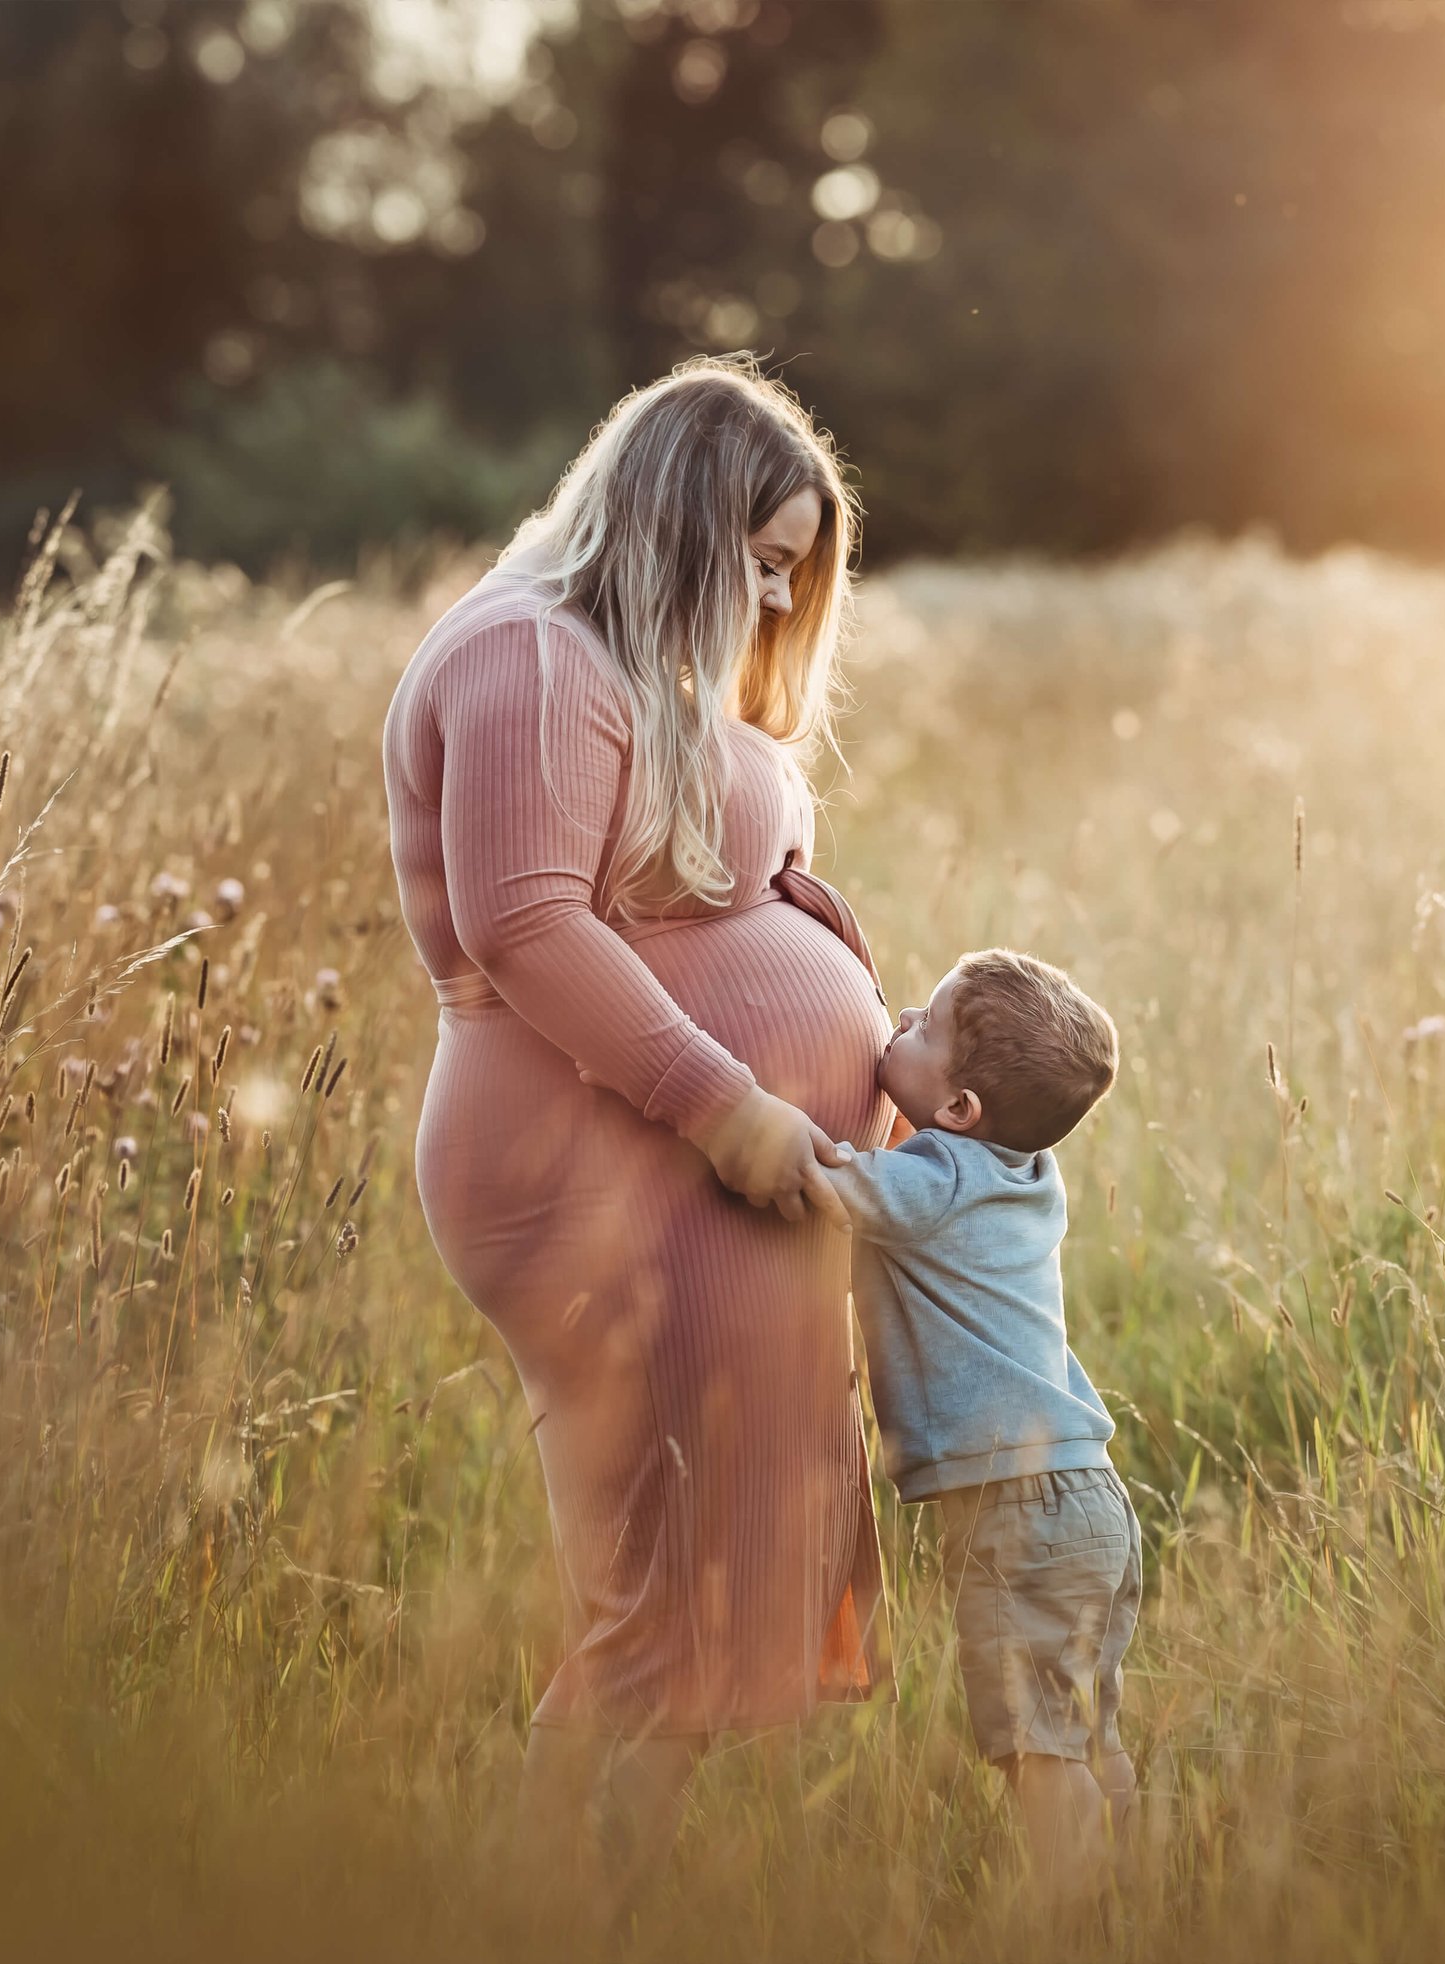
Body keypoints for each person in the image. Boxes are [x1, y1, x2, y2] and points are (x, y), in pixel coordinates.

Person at [380, 356, 889, 1924]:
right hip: (599, 1165)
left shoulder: (623, 669)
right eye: (758, 554)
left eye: (793, 571)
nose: (769, 591)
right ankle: (554, 1919)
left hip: (684, 1173)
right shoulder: (528, 657)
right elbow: (526, 925)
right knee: (652, 1591)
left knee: (686, 1582)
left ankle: (618, 1909)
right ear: (672, 514)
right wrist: (731, 1105)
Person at [817, 949, 1139, 1908]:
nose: (904, 1016)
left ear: (958, 1111)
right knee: (1085, 1735)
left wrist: (730, 1108)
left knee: (1036, 1752)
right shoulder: (1027, 1174)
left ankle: (1074, 1920)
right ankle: (1138, 1902)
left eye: (925, 1027)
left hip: (1019, 1509)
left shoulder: (936, 1176)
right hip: (1088, 1503)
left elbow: (822, 1181)